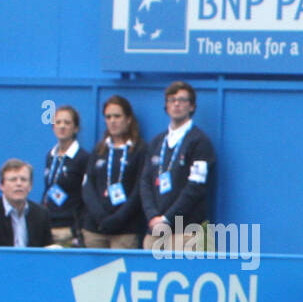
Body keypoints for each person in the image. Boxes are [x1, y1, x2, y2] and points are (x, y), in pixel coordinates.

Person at [140, 81, 217, 253]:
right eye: (172, 100)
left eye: (182, 100)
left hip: (186, 232)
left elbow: (195, 188)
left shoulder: (199, 142)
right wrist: (153, 216)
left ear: (191, 106)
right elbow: (145, 182)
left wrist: (167, 219)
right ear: (166, 106)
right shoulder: (157, 142)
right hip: (155, 232)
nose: (176, 104)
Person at [82, 95, 147, 250]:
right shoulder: (99, 150)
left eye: (117, 116)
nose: (112, 121)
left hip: (125, 230)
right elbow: (87, 186)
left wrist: (118, 218)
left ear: (128, 119)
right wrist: (100, 216)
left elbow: (139, 189)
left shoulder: (140, 150)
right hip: (95, 229)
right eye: (108, 117)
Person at [42, 105, 90, 246]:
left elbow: (86, 196)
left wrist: (77, 227)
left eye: (67, 123)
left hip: (69, 227)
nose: (62, 126)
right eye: (58, 122)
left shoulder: (83, 158)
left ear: (76, 128)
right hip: (49, 225)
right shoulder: (51, 156)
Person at [1, 159, 53, 248]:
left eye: (23, 180)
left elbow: (46, 249)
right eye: (13, 179)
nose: (19, 184)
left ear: (30, 186)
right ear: (2, 186)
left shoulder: (41, 214)